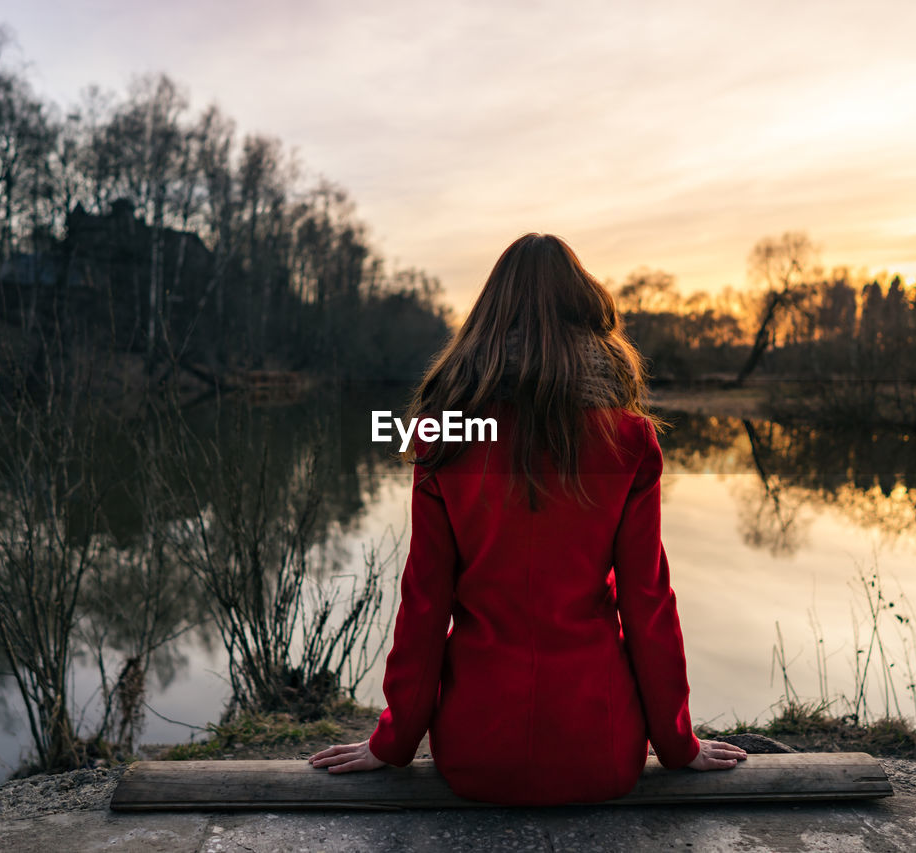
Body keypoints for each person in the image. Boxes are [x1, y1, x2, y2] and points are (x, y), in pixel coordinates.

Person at [308, 233, 748, 805]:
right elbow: (647, 601)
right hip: (601, 751)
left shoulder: (444, 435)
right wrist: (677, 743)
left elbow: (425, 598)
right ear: (585, 312)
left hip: (475, 753)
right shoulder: (629, 439)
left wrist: (391, 744)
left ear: (489, 318)